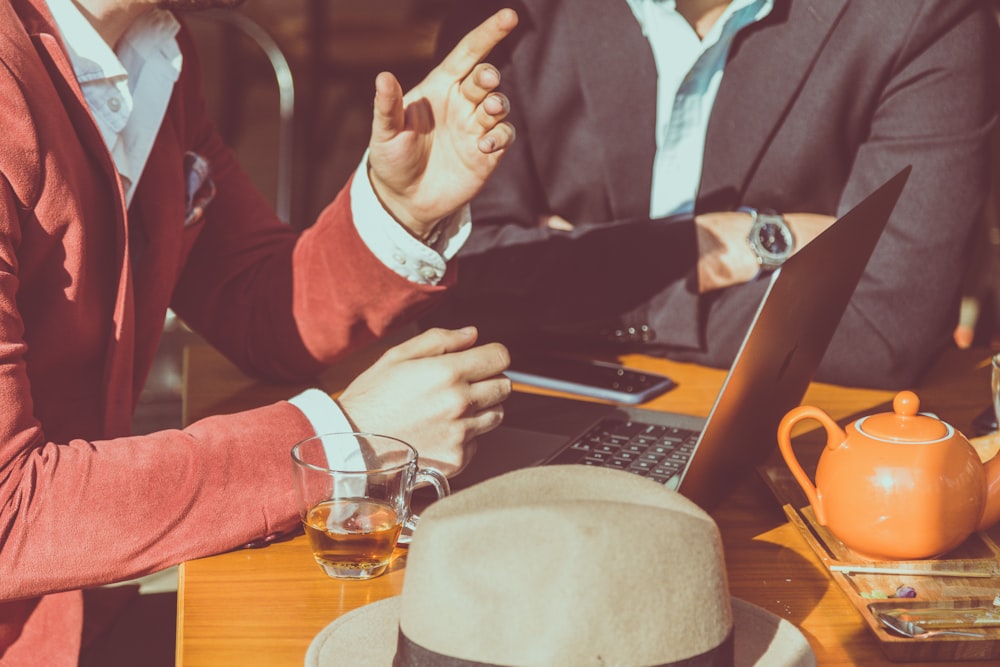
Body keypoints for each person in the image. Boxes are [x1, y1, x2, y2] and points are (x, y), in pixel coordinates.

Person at [0, 0, 518, 663]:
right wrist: (343, 440)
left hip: (82, 614)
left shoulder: (152, 54)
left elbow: (257, 306)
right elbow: (13, 512)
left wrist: (401, 206)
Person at [424, 0, 999, 389]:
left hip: (786, 444)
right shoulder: (510, 15)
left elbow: (884, 326)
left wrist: (570, 266)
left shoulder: (927, 17)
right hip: (536, 408)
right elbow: (466, 276)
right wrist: (725, 244)